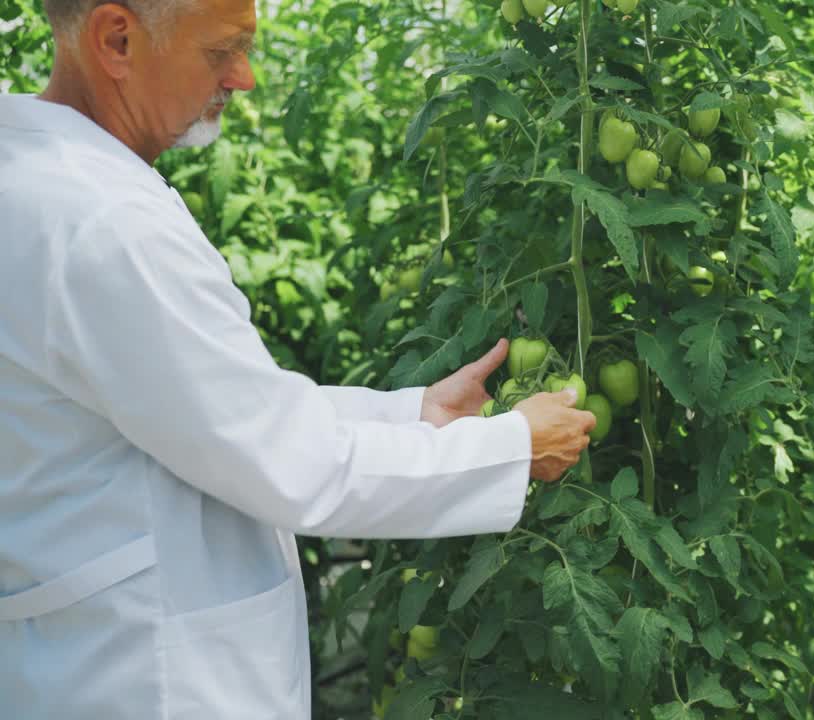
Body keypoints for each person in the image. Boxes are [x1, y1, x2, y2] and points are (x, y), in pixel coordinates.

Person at [0, 0, 597, 717]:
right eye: (222, 51)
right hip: (147, 679)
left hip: (78, 653)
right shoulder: (105, 227)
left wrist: (415, 412)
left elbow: (208, 411)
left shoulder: (35, 177)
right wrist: (507, 447)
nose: (244, 78)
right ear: (118, 38)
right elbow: (290, 464)